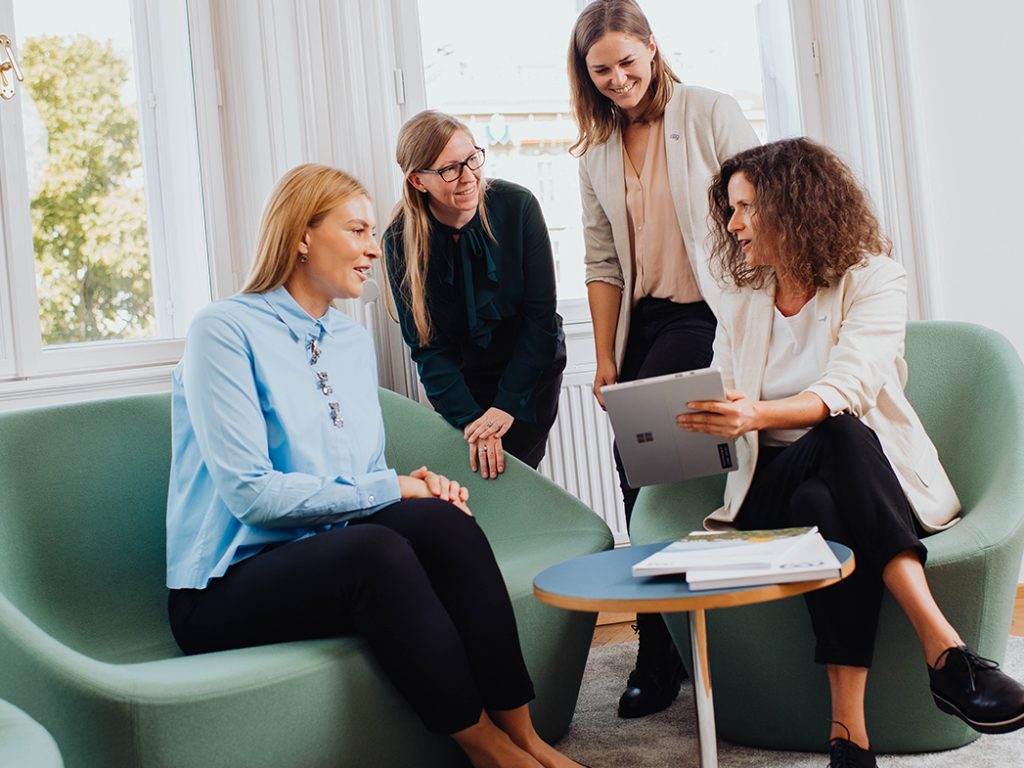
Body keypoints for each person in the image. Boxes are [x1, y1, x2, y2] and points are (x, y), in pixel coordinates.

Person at [165, 163, 586, 768]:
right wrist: (390, 487)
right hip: (224, 586)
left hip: (324, 551)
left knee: (445, 522)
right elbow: (252, 497)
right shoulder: (224, 330)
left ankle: (526, 734)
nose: (371, 249)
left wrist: (412, 487)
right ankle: (488, 750)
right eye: (357, 231)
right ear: (302, 235)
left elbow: (358, 473)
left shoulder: (347, 339)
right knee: (376, 553)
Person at [678, 137, 1024, 767]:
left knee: (833, 457)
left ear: (795, 206)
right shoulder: (743, 302)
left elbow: (851, 386)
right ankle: (946, 652)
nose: (733, 225)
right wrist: (716, 416)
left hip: (861, 478)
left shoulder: (875, 278)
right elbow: (727, 391)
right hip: (766, 489)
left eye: (746, 207)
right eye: (730, 210)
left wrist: (757, 411)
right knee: (829, 449)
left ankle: (849, 737)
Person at [567, 0, 759, 718]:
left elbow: (760, 202)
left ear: (652, 47)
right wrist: (605, 360)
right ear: (585, 75)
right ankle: (663, 639)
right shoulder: (595, 153)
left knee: (659, 470)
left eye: (627, 61)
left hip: (708, 312)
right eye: (601, 70)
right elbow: (602, 262)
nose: (618, 78)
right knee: (635, 475)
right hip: (642, 326)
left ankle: (668, 643)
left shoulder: (709, 112)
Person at [382, 110, 566, 479]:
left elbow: (540, 318)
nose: (469, 177)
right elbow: (427, 349)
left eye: (472, 159)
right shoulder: (399, 239)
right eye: (450, 169)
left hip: (529, 371)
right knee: (477, 480)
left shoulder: (518, 206)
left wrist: (506, 406)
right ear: (418, 180)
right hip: (462, 386)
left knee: (517, 476)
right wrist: (470, 420)